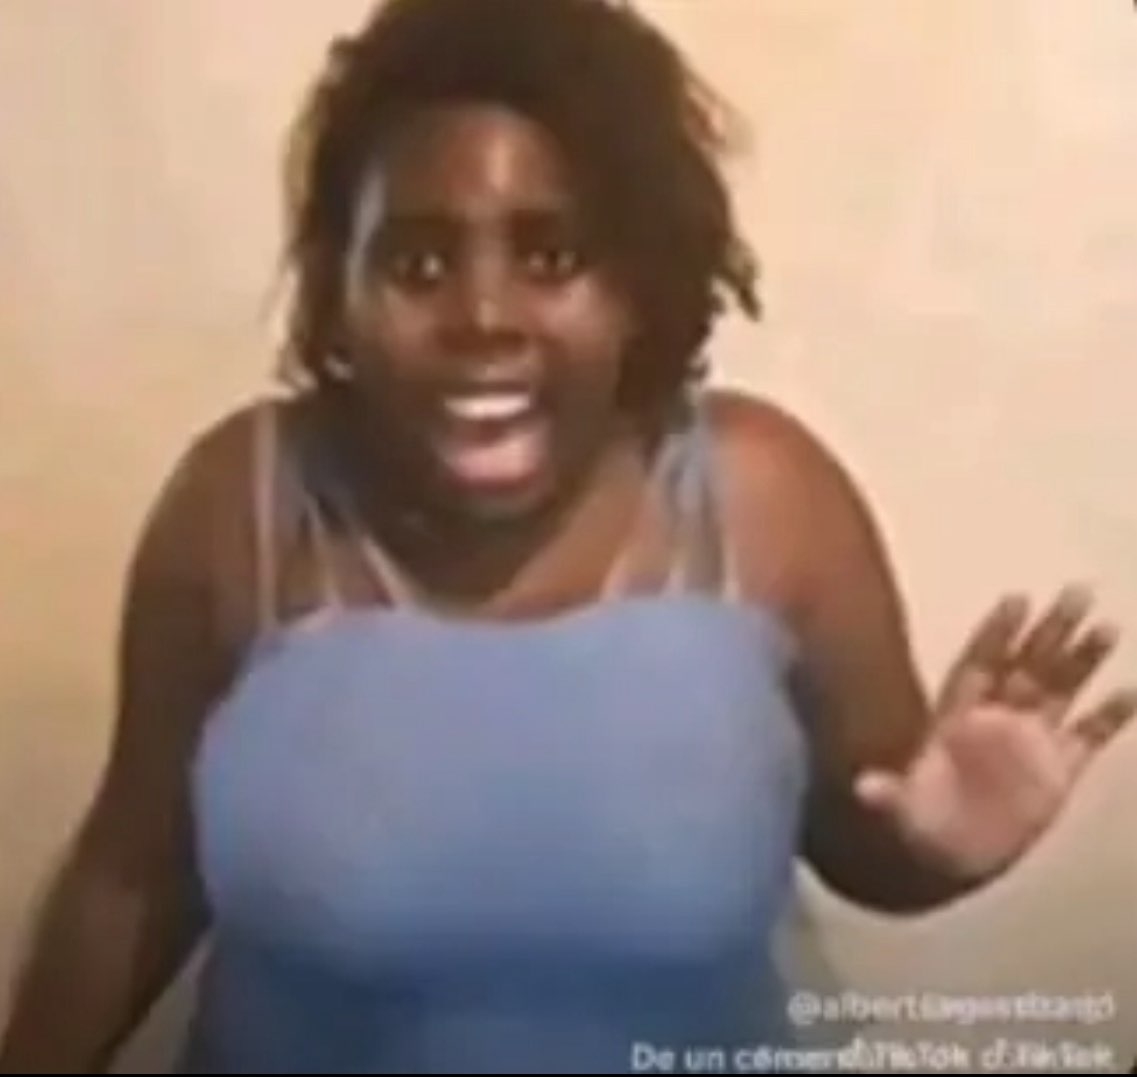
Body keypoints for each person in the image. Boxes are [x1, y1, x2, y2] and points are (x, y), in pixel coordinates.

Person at [1, 0, 1133, 1072]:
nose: (484, 317)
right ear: (339, 292)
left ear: (639, 283)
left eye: (550, 257)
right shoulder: (240, 506)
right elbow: (130, 875)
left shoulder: (763, 500)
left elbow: (867, 839)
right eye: (418, 263)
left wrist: (938, 850)